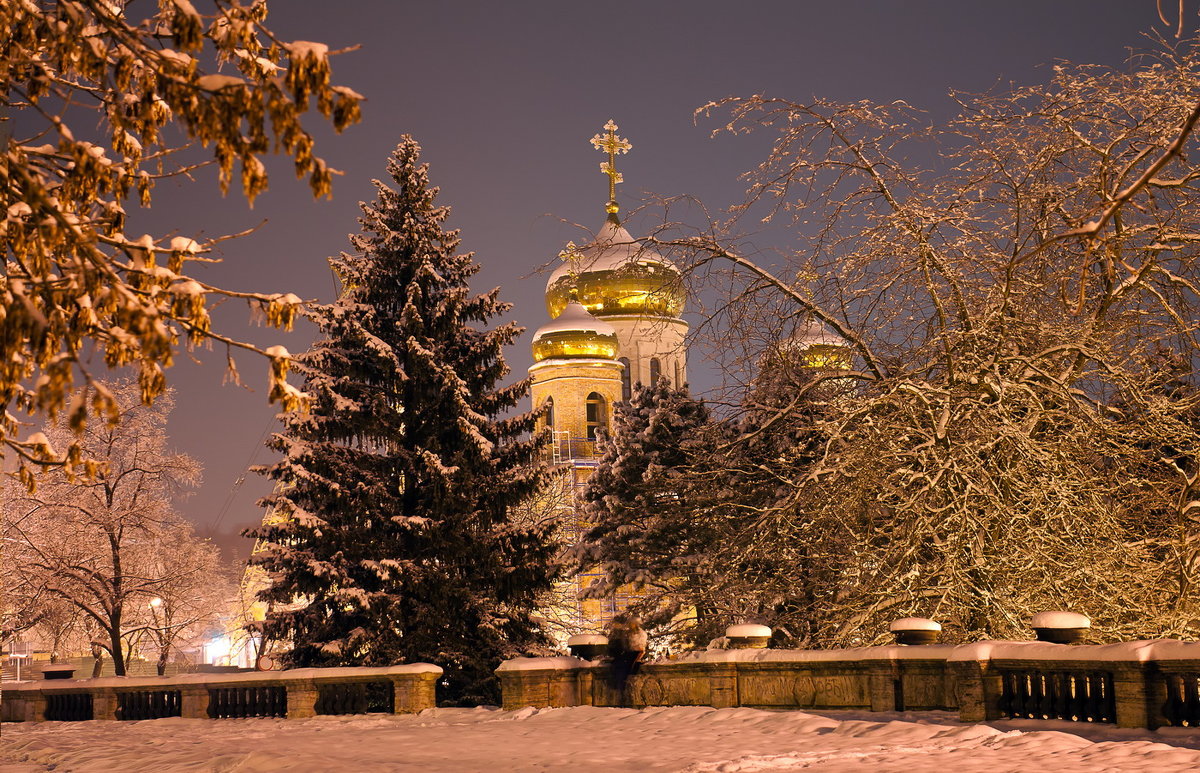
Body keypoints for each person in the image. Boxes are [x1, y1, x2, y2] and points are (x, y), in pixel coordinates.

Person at [606, 614, 647, 703]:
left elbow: (641, 648)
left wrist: (637, 658)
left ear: (635, 624)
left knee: (622, 665)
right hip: (629, 653)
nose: (629, 625)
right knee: (617, 663)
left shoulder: (641, 634)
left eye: (631, 624)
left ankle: (620, 686)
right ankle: (618, 685)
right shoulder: (628, 633)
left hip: (635, 653)